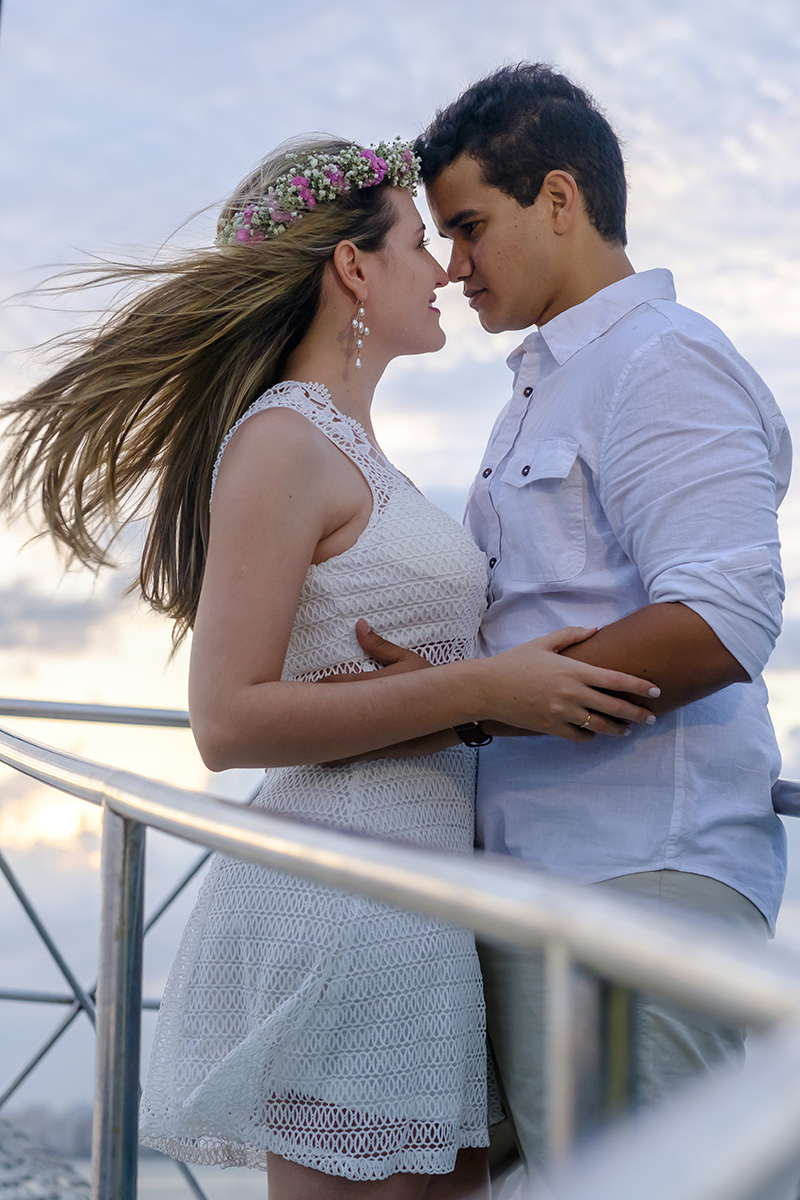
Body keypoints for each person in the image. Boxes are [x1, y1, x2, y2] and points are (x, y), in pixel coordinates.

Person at [0, 135, 660, 1198]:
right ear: (352, 268)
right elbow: (224, 719)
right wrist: (483, 690)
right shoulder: (283, 441)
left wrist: (465, 706)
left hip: (412, 901)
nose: (444, 266)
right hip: (341, 904)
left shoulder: (350, 446)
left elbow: (372, 687)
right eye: (415, 239)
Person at [390, 63, 789, 1183]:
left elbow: (720, 617)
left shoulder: (659, 359)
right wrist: (440, 676)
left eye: (467, 226)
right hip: (541, 887)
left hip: (634, 888)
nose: (451, 264)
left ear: (557, 200)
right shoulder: (544, 384)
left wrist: (471, 710)